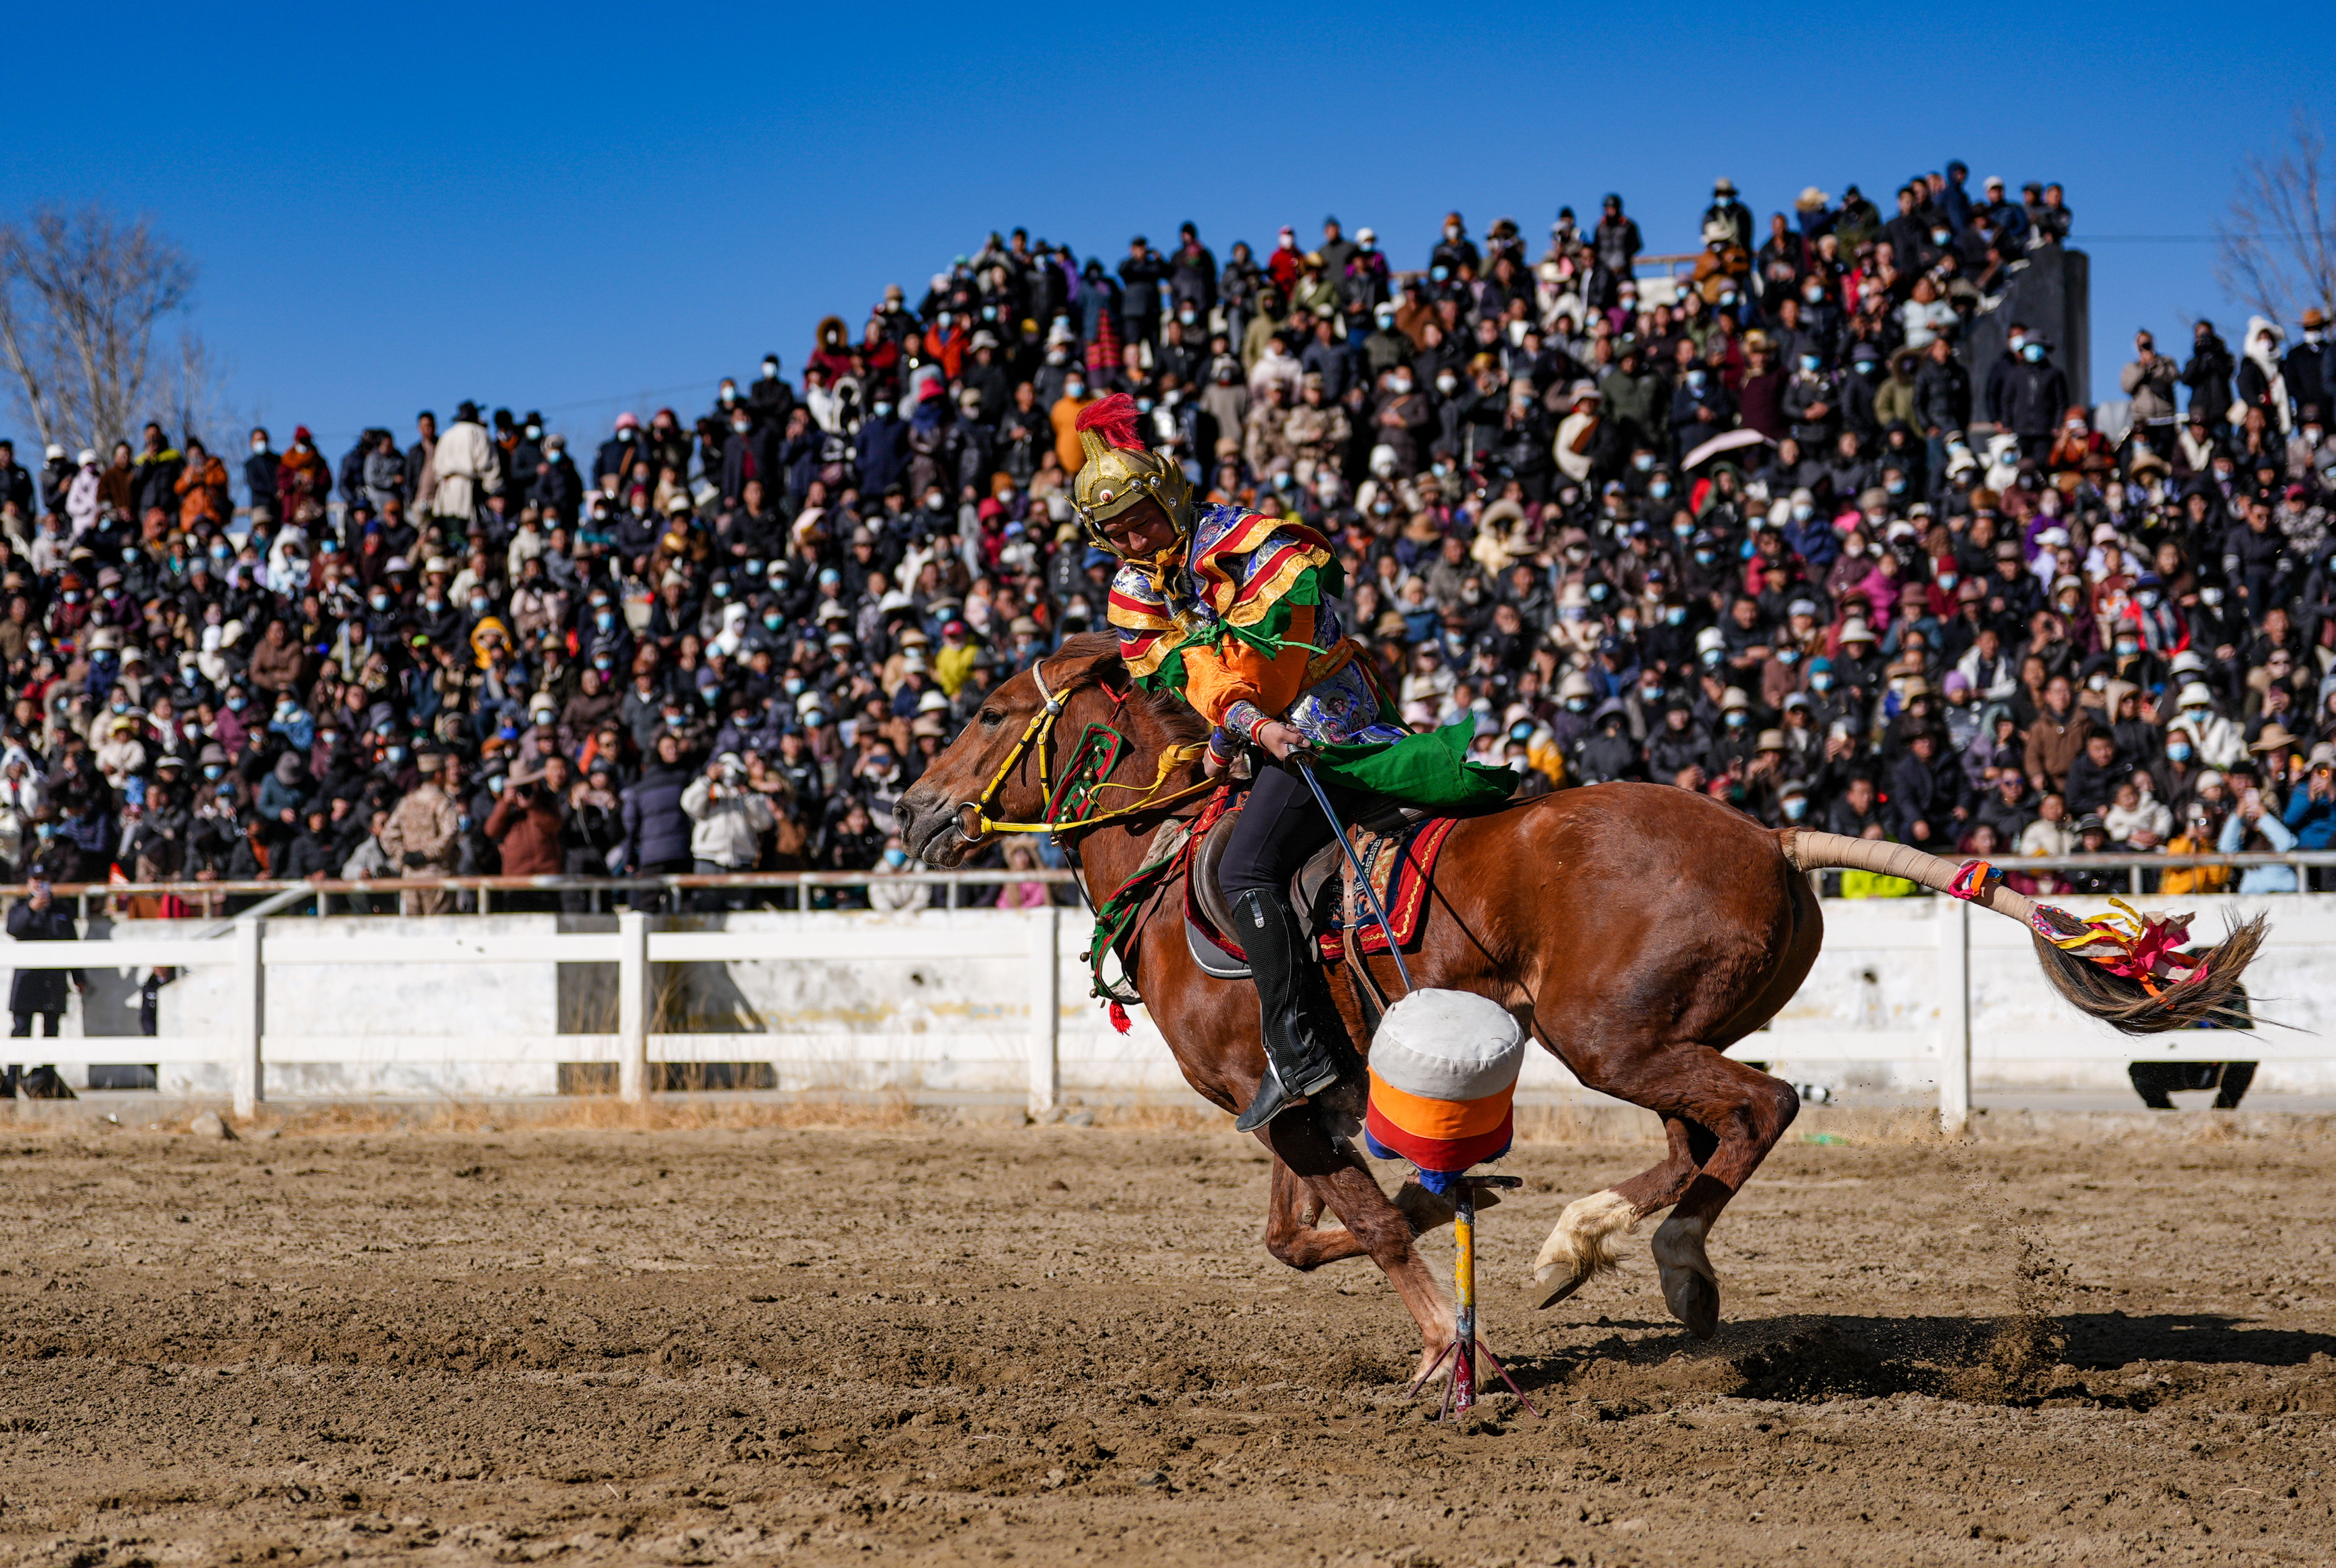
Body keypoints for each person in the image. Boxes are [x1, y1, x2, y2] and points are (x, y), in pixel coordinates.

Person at [1077, 393, 1512, 1131]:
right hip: (1254, 736)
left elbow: (1267, 664)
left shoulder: (1254, 546)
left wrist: (1241, 730)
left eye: (1143, 519)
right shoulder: (1137, 588)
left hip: (1321, 723)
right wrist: (1227, 736)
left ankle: (1297, 1052)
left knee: (1242, 868)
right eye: (1117, 534)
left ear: (1169, 493)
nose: (1136, 540)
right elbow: (1186, 676)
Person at [5, 874, 84, 1086]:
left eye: (44, 879)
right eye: (35, 880)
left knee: (52, 1032)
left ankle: (46, 1081)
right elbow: (13, 929)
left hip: (53, 981)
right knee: (21, 1030)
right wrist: (31, 909)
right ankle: (12, 1079)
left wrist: (79, 977)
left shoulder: (62, 910)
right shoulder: (20, 907)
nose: (40, 885)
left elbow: (72, 946)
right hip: (27, 982)